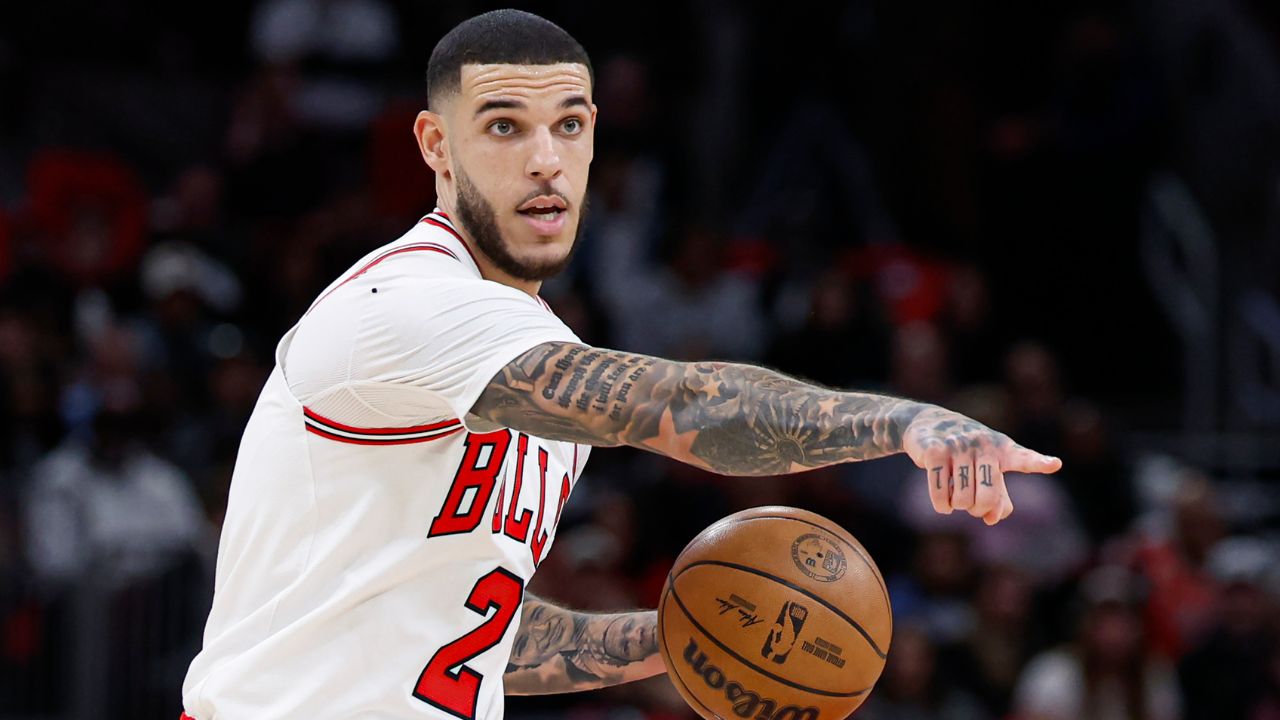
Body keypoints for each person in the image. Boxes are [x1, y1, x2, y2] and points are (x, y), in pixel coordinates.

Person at [180, 9, 1063, 719]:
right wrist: (906, 421)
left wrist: (687, 631)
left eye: (568, 125)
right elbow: (689, 409)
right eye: (502, 126)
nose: (544, 160)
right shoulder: (410, 304)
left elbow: (463, 627)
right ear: (434, 146)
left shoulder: (531, 340)